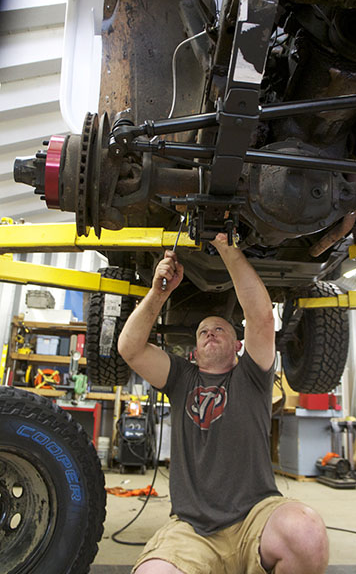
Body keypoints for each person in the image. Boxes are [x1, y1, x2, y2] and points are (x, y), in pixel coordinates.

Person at [118, 233, 329, 574]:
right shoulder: (181, 378)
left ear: (237, 346)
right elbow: (129, 348)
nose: (210, 332)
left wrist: (228, 249)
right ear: (194, 351)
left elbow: (261, 318)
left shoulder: (253, 376)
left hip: (256, 517)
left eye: (220, 329)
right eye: (203, 332)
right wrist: (159, 292)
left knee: (307, 533)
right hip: (193, 529)